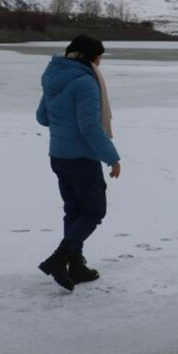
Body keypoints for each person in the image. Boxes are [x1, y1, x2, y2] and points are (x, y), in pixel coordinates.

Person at [35, 34, 121, 291]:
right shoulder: (84, 82)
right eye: (99, 57)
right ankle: (59, 259)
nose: (100, 62)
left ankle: (76, 266)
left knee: (74, 211)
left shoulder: (53, 78)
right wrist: (112, 157)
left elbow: (42, 117)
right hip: (82, 158)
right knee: (94, 211)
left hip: (58, 155)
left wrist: (63, 122)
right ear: (89, 56)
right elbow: (89, 127)